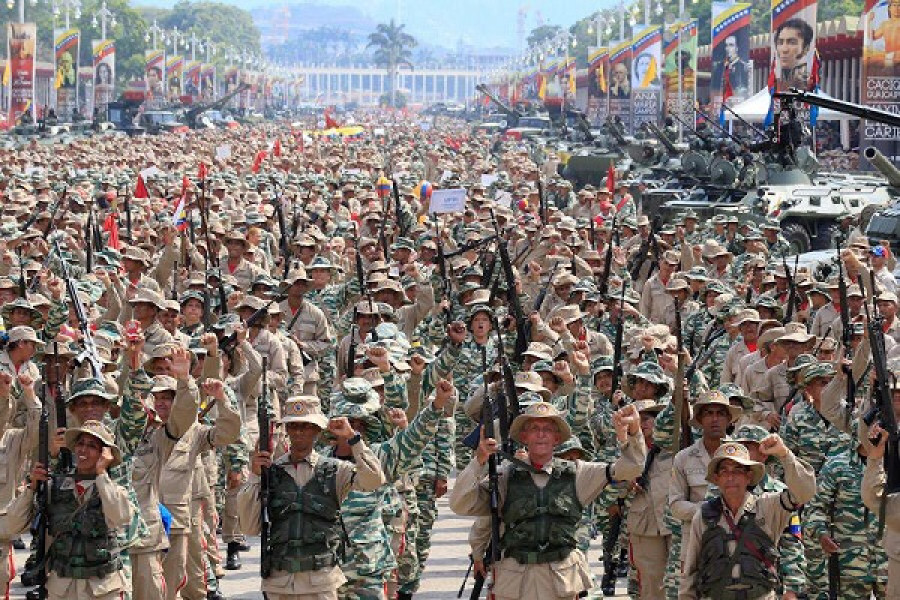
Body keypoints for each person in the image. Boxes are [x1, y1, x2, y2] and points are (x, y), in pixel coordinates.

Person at [449, 401, 647, 600]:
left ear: (557, 438)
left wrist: (633, 433)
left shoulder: (578, 473)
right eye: (534, 428)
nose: (541, 434)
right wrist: (479, 461)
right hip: (515, 583)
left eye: (547, 429)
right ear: (524, 436)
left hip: (561, 580)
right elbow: (460, 503)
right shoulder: (505, 477)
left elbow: (631, 468)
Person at [237, 397, 386, 599]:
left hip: (321, 582)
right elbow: (248, 527)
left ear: (317, 430)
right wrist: (255, 476)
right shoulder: (271, 472)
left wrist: (353, 438)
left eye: (306, 426)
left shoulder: (334, 470)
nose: (299, 432)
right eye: (294, 426)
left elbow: (373, 480)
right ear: (287, 430)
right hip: (279, 583)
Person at [2, 421, 138, 600]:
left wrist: (101, 474)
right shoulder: (56, 486)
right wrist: (32, 488)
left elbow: (121, 517)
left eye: (92, 446)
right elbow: (12, 525)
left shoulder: (113, 488)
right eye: (80, 443)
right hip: (62, 588)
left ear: (104, 454)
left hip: (103, 589)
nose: (83, 450)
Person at [679, 436, 816, 599]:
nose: (730, 478)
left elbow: (805, 492)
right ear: (716, 479)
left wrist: (784, 454)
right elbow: (690, 574)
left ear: (749, 476)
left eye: (737, 470)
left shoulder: (768, 507)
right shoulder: (703, 515)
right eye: (724, 471)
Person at [774, 17, 815, 91]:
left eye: (792, 43)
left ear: (806, 48)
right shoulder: (775, 86)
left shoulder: (809, 85)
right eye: (780, 42)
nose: (784, 49)